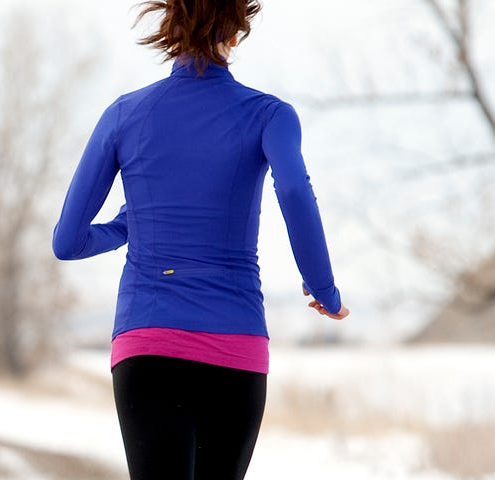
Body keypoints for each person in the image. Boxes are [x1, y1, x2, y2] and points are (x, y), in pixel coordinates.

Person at [51, 0, 349, 478]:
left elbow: (67, 242)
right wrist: (323, 288)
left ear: (170, 30)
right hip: (236, 342)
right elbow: (293, 188)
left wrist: (131, 224)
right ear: (235, 35)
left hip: (147, 343)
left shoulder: (124, 114)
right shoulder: (269, 114)